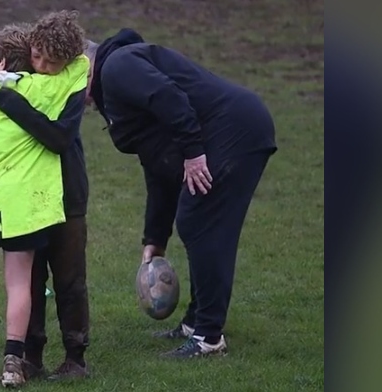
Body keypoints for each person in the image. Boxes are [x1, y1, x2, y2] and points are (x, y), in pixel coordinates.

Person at [85, 28, 278, 358]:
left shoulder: (117, 66)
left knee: (200, 223)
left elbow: (169, 96)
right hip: (229, 131)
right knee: (197, 222)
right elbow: (158, 169)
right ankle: (196, 323)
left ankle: (208, 338)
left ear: (83, 64)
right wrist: (154, 239)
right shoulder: (112, 86)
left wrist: (193, 153)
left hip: (236, 130)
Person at [0, 10, 92, 381]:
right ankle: (29, 356)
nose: (42, 67)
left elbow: (59, 138)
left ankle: (75, 357)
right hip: (26, 197)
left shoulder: (67, 86)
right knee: (31, 279)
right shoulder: (21, 76)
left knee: (69, 280)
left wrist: (11, 104)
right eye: (38, 57)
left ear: (67, 62)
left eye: (52, 63)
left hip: (67, 194)